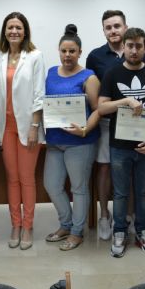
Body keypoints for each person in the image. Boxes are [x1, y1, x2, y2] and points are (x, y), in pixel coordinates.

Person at [98, 28, 145, 258]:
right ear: (123, 48)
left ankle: (143, 232)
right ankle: (119, 232)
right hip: (119, 145)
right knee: (120, 193)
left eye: (139, 46)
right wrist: (125, 100)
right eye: (130, 46)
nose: (134, 50)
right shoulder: (112, 73)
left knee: (143, 192)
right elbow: (102, 107)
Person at [86, 10, 145, 241]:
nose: (113, 31)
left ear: (125, 27)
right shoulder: (95, 56)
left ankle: (130, 216)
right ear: (103, 30)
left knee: (129, 171)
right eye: (108, 27)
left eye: (117, 26)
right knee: (104, 168)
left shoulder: (136, 52)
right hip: (105, 122)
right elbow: (92, 88)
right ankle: (104, 216)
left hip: (133, 123)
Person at [0, 12, 45, 250]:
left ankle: (28, 226)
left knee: (27, 179)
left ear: (25, 31)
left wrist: (34, 126)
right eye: (10, 27)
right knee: (11, 179)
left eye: (18, 28)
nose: (14, 31)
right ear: (4, 30)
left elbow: (38, 94)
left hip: (27, 127)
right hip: (5, 128)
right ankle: (15, 224)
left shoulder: (35, 56)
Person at [43, 24, 100, 251]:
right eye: (64, 51)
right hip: (55, 141)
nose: (67, 55)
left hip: (80, 142)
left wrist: (85, 129)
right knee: (52, 185)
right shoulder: (50, 72)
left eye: (72, 51)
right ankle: (65, 224)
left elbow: (97, 109)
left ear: (80, 52)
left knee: (79, 188)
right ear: (59, 51)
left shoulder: (89, 77)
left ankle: (77, 232)